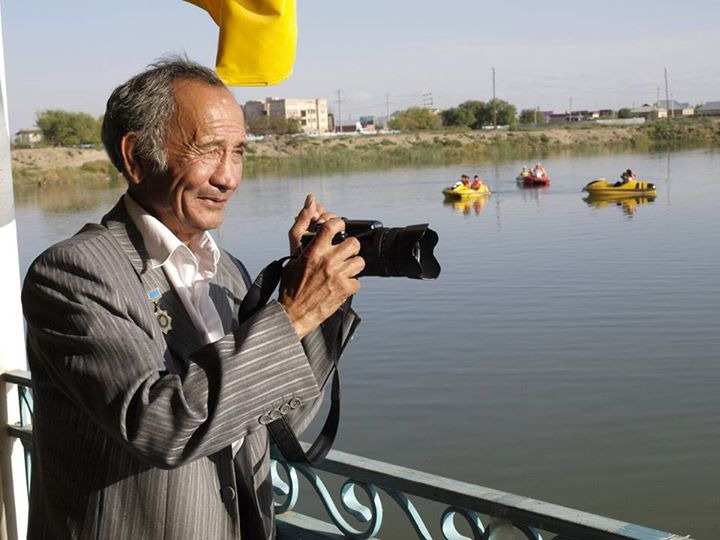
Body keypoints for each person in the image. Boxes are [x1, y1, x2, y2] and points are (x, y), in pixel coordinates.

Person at [21, 56, 364, 539]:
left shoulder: (229, 272)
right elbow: (160, 425)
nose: (229, 177)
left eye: (239, 151)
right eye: (209, 150)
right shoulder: (73, 274)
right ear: (137, 157)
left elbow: (283, 419)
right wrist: (292, 314)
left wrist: (322, 306)